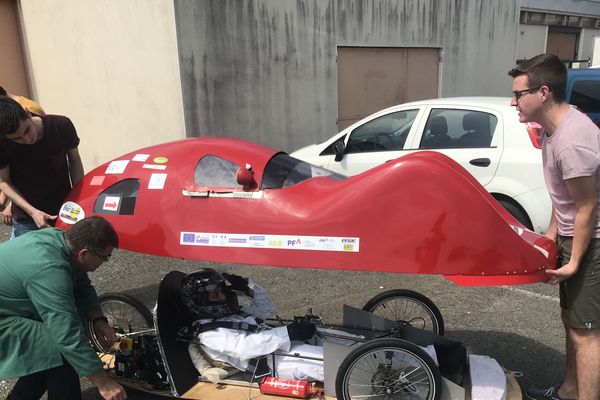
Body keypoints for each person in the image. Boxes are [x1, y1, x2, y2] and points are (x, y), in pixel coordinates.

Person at [508, 54, 600, 400]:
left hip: (592, 242)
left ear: (543, 92)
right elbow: (562, 197)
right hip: (572, 236)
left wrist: (575, 261)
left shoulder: (572, 140)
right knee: (571, 322)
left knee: (587, 332)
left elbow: (587, 207)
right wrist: (550, 235)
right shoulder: (552, 131)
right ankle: (568, 390)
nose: (513, 101)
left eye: (518, 94)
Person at [0, 216, 127, 400]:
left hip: (9, 305)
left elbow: (81, 284)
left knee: (47, 351)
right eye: (105, 258)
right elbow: (66, 333)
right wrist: (103, 382)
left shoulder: (63, 242)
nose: (105, 262)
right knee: (59, 349)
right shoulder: (49, 269)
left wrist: (98, 320)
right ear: (84, 253)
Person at [179, 269, 321, 383]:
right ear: (202, 303)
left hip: (285, 346)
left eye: (223, 290)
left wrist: (247, 288)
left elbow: (266, 309)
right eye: (216, 294)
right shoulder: (209, 334)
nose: (224, 296)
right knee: (335, 362)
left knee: (341, 341)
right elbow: (245, 348)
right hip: (275, 362)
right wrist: (289, 333)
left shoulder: (236, 312)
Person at [0, 96, 83, 237]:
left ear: (27, 113)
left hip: (64, 209)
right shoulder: (2, 143)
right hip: (26, 218)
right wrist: (33, 212)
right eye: (17, 139)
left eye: (27, 130)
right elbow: (4, 181)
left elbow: (74, 161)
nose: (26, 139)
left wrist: (79, 200)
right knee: (28, 259)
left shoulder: (60, 125)